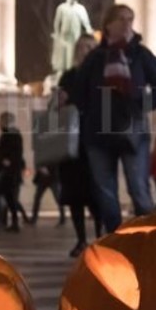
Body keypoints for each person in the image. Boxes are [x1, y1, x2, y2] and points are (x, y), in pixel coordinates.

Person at [72, 4, 156, 233]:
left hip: (133, 129)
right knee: (105, 191)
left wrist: (142, 106)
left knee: (139, 189)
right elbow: (79, 91)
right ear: (108, 25)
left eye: (130, 19)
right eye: (121, 19)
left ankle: (150, 238)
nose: (127, 24)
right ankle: (116, 239)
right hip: (98, 133)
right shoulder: (96, 57)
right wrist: (92, 111)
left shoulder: (140, 54)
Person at [58, 34, 99, 255]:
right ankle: (81, 239)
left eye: (90, 47)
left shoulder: (101, 75)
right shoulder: (68, 76)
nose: (86, 51)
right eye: (82, 47)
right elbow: (57, 106)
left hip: (95, 141)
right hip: (72, 144)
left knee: (97, 193)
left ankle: (101, 237)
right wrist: (60, 100)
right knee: (75, 194)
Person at [0, 112, 28, 232]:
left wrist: (5, 161)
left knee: (3, 195)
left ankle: (4, 220)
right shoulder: (13, 135)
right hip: (11, 171)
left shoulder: (9, 135)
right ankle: (9, 221)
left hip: (8, 172)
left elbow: (10, 153)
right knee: (10, 198)